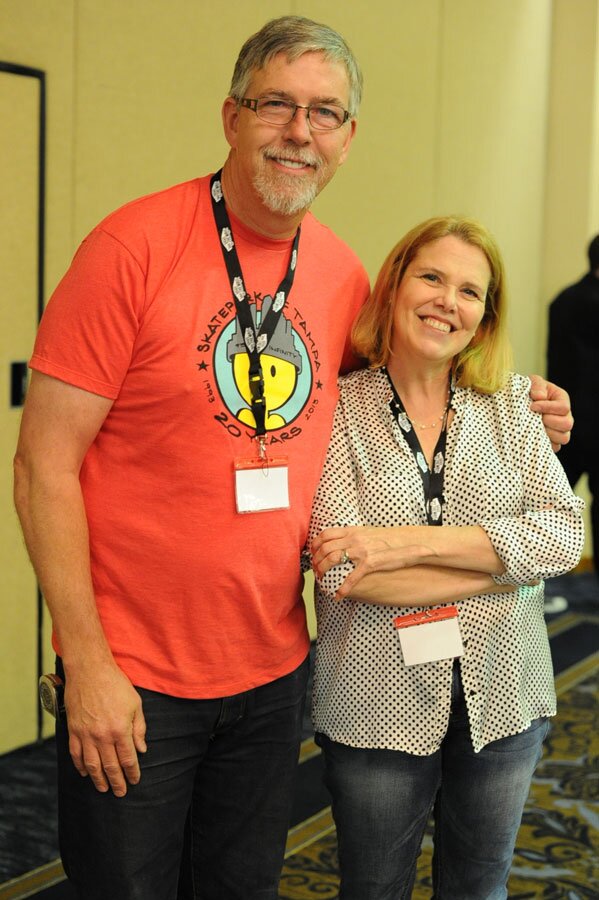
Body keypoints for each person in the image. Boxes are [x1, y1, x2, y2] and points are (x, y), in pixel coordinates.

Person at [12, 15, 572, 900]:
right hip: (135, 674)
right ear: (231, 116)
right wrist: (85, 663)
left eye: (324, 112)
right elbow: (42, 466)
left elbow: (411, 386)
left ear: (347, 137)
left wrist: (530, 402)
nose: (299, 132)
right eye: (277, 104)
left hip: (274, 672)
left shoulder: (343, 278)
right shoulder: (131, 249)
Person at [309, 216, 584, 900]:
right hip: (374, 697)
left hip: (504, 689)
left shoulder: (514, 403)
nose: (446, 301)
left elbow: (562, 536)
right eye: (431, 277)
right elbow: (343, 570)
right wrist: (508, 566)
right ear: (394, 285)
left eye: (469, 291)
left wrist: (401, 543)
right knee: (372, 888)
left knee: (479, 887)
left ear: (484, 316)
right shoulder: (336, 409)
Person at [548, 234, 599, 576]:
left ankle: (536, 579)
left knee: (549, 505)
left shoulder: (563, 300)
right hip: (593, 422)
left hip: (563, 420)